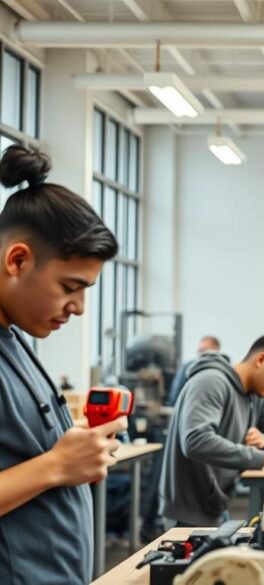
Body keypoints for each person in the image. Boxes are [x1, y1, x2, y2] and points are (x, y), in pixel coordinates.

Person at [0, 145, 125, 584]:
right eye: (71, 286)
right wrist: (56, 465)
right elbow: (48, 466)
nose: (79, 307)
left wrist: (76, 446)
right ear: (17, 260)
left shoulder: (15, 342)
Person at [159, 335, 264, 527]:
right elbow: (196, 440)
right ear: (260, 360)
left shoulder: (255, 396)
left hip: (215, 506)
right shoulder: (210, 382)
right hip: (188, 511)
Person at [167, 335, 220, 406]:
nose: (202, 355)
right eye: (200, 351)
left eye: (205, 351)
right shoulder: (187, 368)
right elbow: (175, 396)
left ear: (216, 350)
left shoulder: (224, 372)